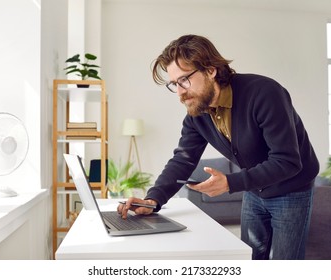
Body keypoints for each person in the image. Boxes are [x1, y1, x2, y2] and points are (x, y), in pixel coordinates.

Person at [118, 34, 319, 260]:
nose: (180, 92)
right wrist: (153, 200)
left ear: (211, 70)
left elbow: (287, 161)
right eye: (174, 84)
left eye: (184, 80)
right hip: (254, 191)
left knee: (285, 265)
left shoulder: (264, 93)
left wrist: (230, 182)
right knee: (251, 257)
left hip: (291, 189)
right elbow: (183, 159)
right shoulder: (197, 113)